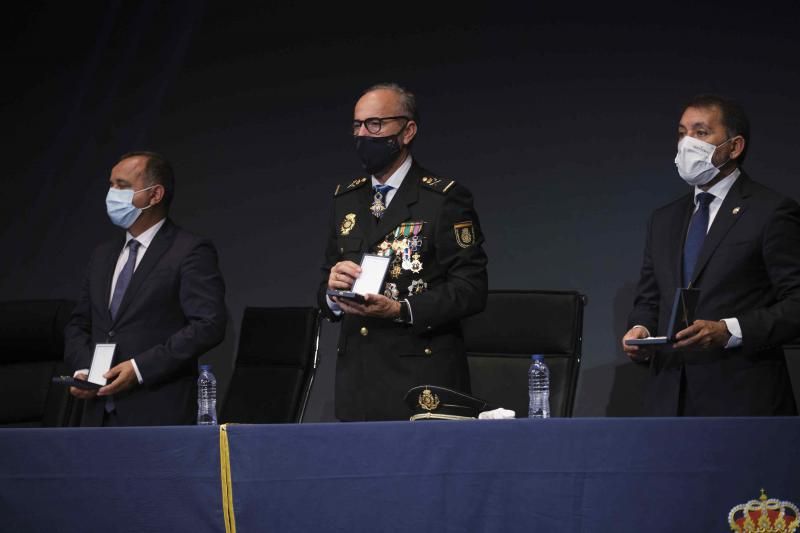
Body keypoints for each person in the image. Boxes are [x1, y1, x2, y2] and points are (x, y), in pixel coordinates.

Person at [318, 83, 488, 421]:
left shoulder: (443, 199)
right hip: (358, 381)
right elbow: (325, 279)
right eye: (358, 125)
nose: (364, 134)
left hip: (420, 382)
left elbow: (471, 289)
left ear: (407, 130)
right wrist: (332, 294)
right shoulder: (346, 199)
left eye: (376, 125)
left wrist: (401, 309)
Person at [622, 95, 800, 416]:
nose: (687, 143)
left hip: (742, 401)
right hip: (668, 401)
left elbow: (797, 303)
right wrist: (642, 330)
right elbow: (649, 301)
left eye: (701, 133)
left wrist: (729, 331)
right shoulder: (664, 219)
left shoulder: (771, 211)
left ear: (734, 147)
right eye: (682, 133)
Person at [64, 151, 227, 426]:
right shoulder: (102, 255)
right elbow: (78, 323)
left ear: (155, 195)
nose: (111, 193)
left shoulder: (189, 251)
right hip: (96, 415)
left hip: (157, 412)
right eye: (111, 184)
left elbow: (208, 324)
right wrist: (87, 370)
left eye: (122, 186)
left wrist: (139, 369)